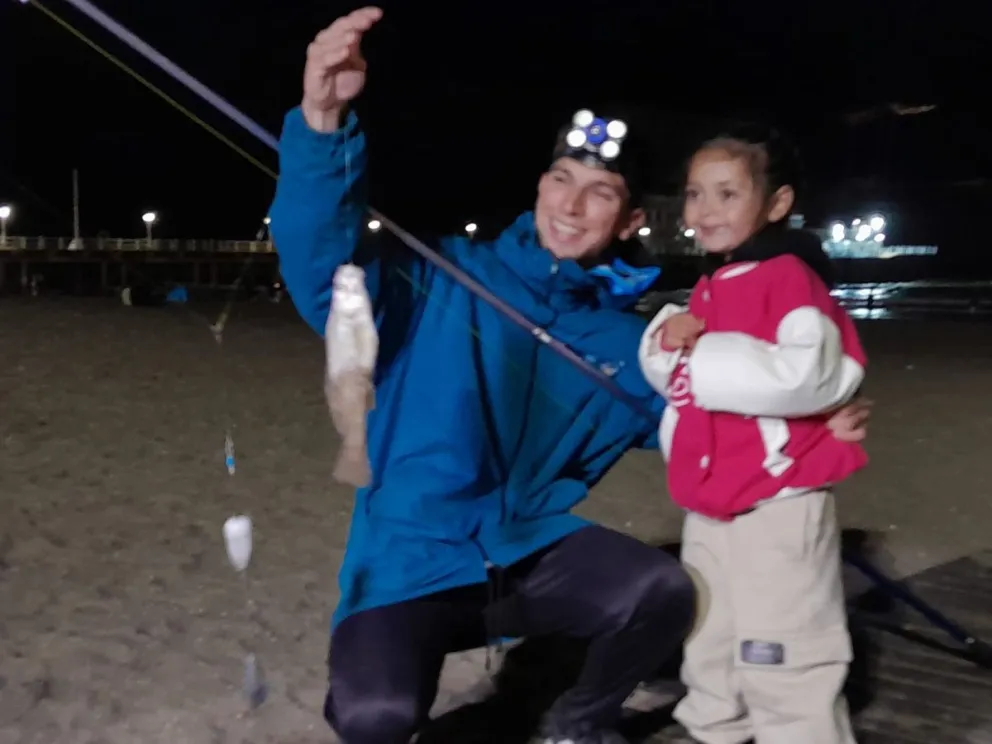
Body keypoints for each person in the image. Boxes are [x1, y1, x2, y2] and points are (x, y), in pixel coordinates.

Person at [269, 9, 870, 744]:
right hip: (409, 563)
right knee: (376, 718)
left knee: (661, 589)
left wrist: (807, 427)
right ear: (539, 187)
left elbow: (704, 421)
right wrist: (322, 121)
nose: (572, 204)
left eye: (601, 193)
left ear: (626, 223)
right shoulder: (444, 277)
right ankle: (383, 679)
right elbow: (322, 270)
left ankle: (577, 723)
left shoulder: (631, 340)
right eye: (561, 179)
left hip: (529, 551)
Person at [638, 124, 866, 744]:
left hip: (780, 501)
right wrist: (669, 341)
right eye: (693, 193)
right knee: (710, 639)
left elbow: (812, 372)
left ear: (776, 202)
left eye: (727, 194)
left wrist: (696, 351)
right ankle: (715, 730)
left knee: (784, 655)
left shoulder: (791, 276)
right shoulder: (716, 282)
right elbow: (687, 381)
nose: (705, 210)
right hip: (711, 500)